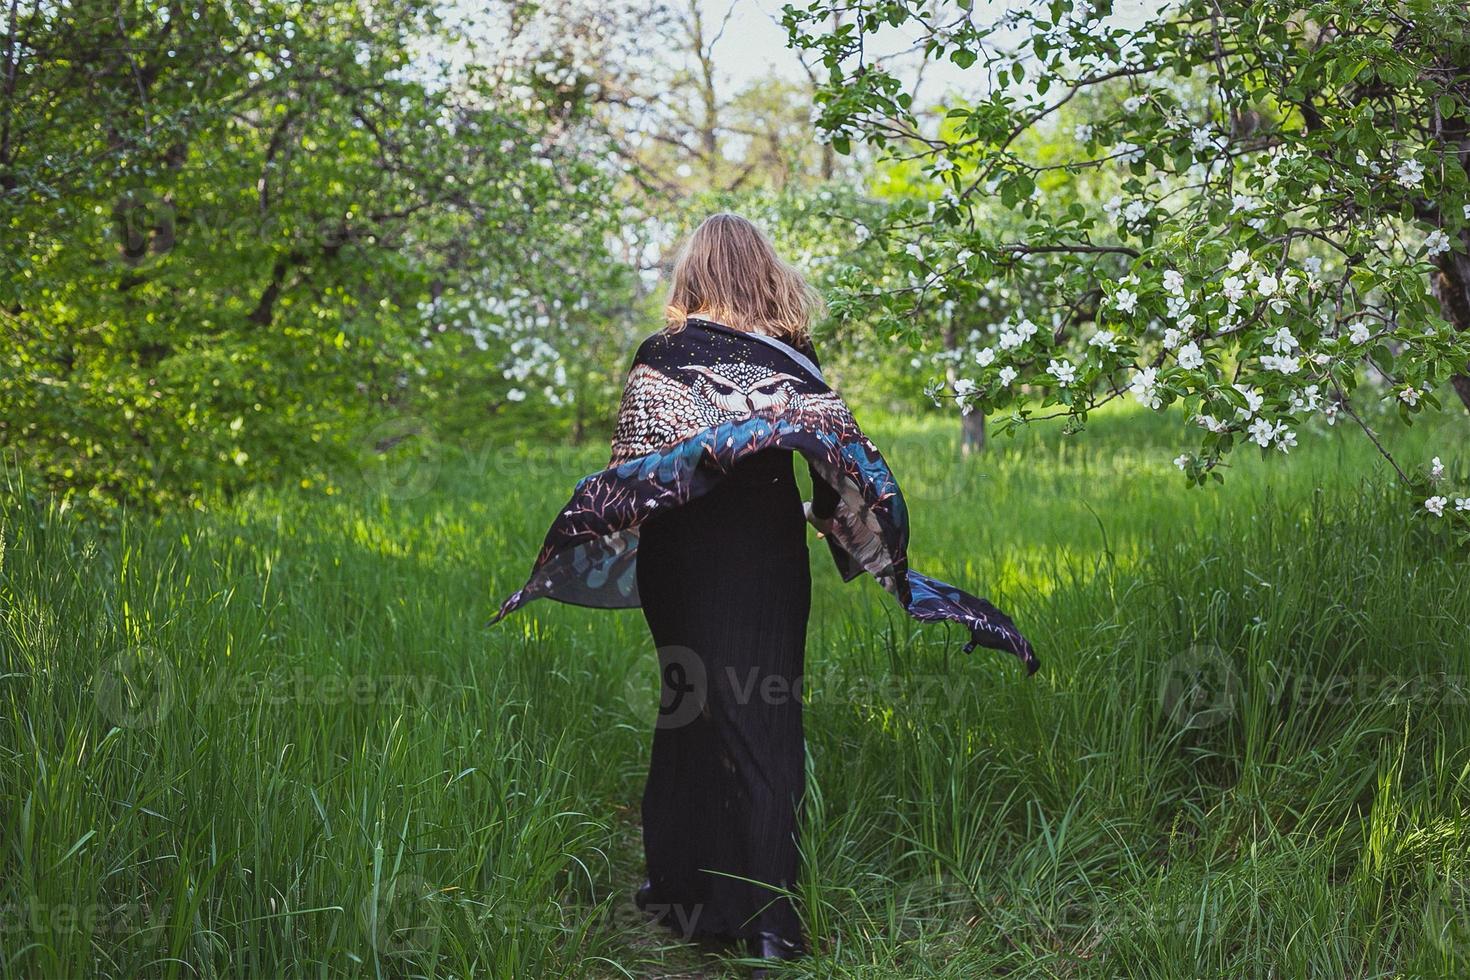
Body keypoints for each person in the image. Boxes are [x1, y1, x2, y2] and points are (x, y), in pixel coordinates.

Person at [630, 213, 837, 969]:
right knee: (765, 717)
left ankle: (678, 893)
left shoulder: (663, 354)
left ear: (694, 275)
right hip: (765, 558)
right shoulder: (795, 354)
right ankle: (770, 925)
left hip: (678, 556)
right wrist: (839, 522)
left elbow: (636, 469)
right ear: (763, 271)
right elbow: (837, 455)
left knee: (688, 707)